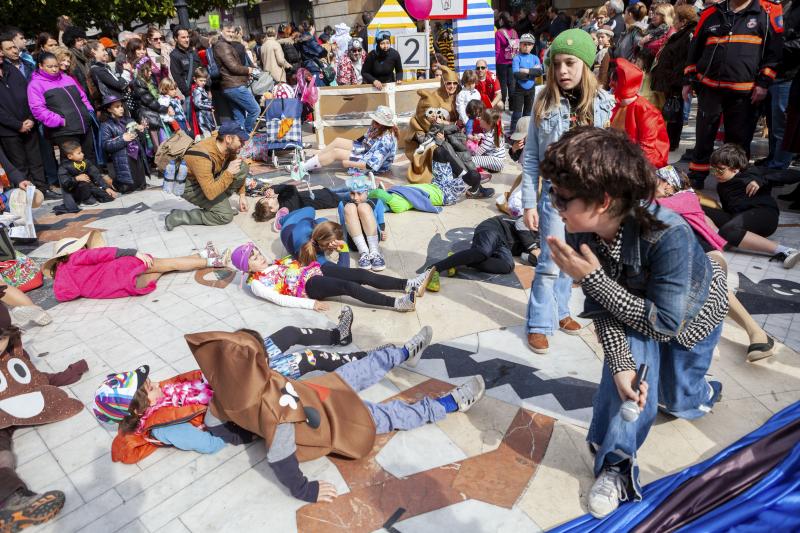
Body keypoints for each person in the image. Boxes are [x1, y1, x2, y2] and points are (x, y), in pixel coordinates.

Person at [544, 127, 728, 518]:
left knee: (677, 400)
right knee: (629, 386)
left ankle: (703, 392)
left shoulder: (669, 234)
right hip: (638, 314)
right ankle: (616, 464)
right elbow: (602, 308)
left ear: (602, 200)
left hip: (689, 319)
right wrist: (622, 364)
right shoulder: (585, 232)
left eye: (561, 197)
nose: (553, 205)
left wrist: (590, 278)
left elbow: (665, 323)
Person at [187, 329, 485, 503]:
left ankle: (404, 353)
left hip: (316, 392)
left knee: (358, 370)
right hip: (329, 425)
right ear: (258, 364)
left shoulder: (225, 392)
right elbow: (280, 458)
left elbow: (215, 426)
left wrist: (246, 432)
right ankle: (448, 405)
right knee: (385, 415)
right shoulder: (274, 410)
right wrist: (306, 490)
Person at [520, 29, 615, 354]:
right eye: (557, 64)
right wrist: (528, 202)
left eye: (570, 63)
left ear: (586, 65)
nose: (562, 71)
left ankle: (560, 311)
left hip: (590, 199)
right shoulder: (542, 101)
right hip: (555, 196)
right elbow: (531, 155)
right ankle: (538, 323)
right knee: (549, 261)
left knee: (573, 259)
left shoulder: (604, 103)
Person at [654, 166, 776, 361]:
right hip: (680, 260)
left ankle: (757, 333)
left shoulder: (684, 198)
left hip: (707, 253)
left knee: (708, 280)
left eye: (655, 180)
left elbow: (650, 208)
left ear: (668, 185)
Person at [0, 296, 86, 530]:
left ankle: (10, 502)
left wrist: (68, 373)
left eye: (1, 337)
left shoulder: (12, 353)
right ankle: (10, 501)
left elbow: (32, 379)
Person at [683, 0, 783, 189]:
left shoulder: (769, 11)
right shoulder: (710, 13)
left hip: (744, 92)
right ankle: (696, 176)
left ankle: (734, 181)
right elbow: (694, 48)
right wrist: (688, 80)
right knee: (703, 136)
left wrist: (763, 83)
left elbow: (774, 53)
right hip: (709, 88)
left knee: (738, 141)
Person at [230, 241, 431, 312]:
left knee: (359, 273)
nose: (260, 258)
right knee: (347, 287)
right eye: (254, 259)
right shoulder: (256, 284)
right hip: (308, 285)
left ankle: (409, 284)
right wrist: (311, 305)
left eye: (257, 253)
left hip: (312, 271)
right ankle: (397, 304)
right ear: (246, 268)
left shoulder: (272, 265)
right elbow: (280, 298)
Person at [43, 231, 230, 302]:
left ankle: (202, 255)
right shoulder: (76, 257)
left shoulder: (62, 281)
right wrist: (133, 252)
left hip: (126, 287)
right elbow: (104, 253)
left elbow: (64, 296)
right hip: (124, 268)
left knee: (165, 268)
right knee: (168, 263)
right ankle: (213, 260)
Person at [703, 144, 799, 268]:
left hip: (764, 215)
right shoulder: (721, 185)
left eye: (720, 170)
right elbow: (728, 211)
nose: (715, 174)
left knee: (728, 231)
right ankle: (720, 238)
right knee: (697, 207)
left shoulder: (752, 173)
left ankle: (785, 250)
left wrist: (762, 180)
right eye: (712, 169)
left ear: (735, 169)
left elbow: (792, 175)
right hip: (740, 218)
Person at [164, 120, 249, 230]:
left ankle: (221, 206)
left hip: (206, 179)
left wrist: (242, 195)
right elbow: (210, 193)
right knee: (225, 216)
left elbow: (237, 169)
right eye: (240, 140)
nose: (243, 144)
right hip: (189, 186)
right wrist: (228, 173)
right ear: (228, 139)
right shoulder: (202, 157)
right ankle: (179, 216)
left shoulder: (224, 145)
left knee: (242, 167)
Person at [423, 214, 538, 291]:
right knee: (482, 252)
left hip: (504, 245)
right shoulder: (545, 220)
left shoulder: (547, 244)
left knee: (507, 266)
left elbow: (525, 256)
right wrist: (533, 247)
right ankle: (435, 268)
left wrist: (540, 258)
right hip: (495, 228)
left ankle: (458, 260)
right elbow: (521, 222)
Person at [27, 52, 96, 163]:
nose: (54, 69)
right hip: (64, 131)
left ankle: (94, 180)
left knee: (89, 158)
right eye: (49, 67)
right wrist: (59, 121)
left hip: (83, 124)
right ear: (40, 66)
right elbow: (38, 109)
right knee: (71, 164)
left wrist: (88, 110)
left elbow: (82, 96)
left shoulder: (67, 78)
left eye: (56, 66)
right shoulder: (35, 84)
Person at [295, 106, 398, 176]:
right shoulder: (378, 127)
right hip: (367, 149)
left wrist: (349, 163)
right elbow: (365, 137)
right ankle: (311, 162)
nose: (374, 123)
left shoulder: (386, 142)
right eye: (375, 120)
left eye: (377, 122)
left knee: (336, 153)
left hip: (371, 162)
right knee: (338, 141)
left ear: (384, 125)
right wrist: (351, 145)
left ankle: (303, 168)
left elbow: (371, 165)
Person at [649, 5, 698, 151]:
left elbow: (686, 59)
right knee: (671, 113)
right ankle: (668, 140)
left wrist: (679, 79)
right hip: (671, 79)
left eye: (676, 18)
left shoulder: (689, 34)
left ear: (683, 21)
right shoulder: (682, 33)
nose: (673, 21)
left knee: (674, 113)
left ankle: (671, 142)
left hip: (676, 80)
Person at [0, 47, 47, 192]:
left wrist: (31, 118)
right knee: (19, 165)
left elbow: (29, 94)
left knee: (36, 161)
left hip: (29, 124)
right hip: (8, 130)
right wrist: (17, 125)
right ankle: (27, 195)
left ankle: (42, 190)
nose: (1, 53)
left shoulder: (11, 69)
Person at [610, 58, 669, 169]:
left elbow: (647, 150)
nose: (610, 84)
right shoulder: (615, 105)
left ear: (625, 82)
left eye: (614, 81)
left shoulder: (645, 110)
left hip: (642, 163)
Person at [406, 68, 460, 183]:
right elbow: (426, 121)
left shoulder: (459, 95)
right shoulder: (434, 97)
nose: (452, 86)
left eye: (454, 83)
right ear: (443, 83)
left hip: (453, 131)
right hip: (435, 134)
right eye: (448, 83)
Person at [214, 23, 259, 132]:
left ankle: (241, 139)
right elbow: (233, 67)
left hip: (231, 86)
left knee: (239, 117)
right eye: (228, 31)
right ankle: (247, 133)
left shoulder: (225, 44)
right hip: (234, 85)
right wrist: (249, 70)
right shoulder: (222, 46)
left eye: (232, 31)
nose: (231, 34)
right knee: (255, 110)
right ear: (221, 32)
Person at [99, 95, 149, 193]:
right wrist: (123, 139)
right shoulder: (106, 125)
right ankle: (112, 183)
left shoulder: (129, 120)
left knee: (141, 184)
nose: (121, 109)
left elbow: (140, 140)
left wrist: (141, 130)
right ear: (109, 109)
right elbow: (106, 145)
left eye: (121, 106)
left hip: (136, 155)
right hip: (123, 158)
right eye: (117, 107)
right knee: (127, 187)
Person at [338, 175, 387, 270]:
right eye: (352, 193)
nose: (355, 197)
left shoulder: (376, 202)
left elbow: (381, 222)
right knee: (349, 207)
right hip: (354, 243)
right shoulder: (343, 205)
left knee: (363, 207)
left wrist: (382, 231)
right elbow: (343, 225)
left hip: (373, 238)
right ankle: (364, 253)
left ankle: (375, 252)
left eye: (359, 193)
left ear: (367, 192)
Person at [57, 139, 115, 206]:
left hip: (89, 186)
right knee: (83, 183)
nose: (82, 154)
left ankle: (90, 197)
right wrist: (76, 179)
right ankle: (85, 200)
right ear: (70, 156)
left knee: (108, 197)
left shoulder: (86, 162)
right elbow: (65, 183)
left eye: (81, 152)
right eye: (79, 153)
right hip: (75, 190)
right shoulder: (64, 166)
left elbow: (96, 175)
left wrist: (106, 188)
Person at [131, 56, 168, 149]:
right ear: (142, 71)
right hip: (149, 117)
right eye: (149, 70)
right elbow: (150, 101)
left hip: (154, 114)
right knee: (157, 144)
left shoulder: (149, 81)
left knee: (162, 142)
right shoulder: (139, 84)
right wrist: (164, 108)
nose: (151, 72)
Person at [511, 33, 542, 132]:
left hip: (531, 89)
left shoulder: (535, 58)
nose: (526, 46)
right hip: (519, 89)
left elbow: (539, 72)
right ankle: (513, 132)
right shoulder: (517, 58)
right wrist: (531, 73)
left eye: (529, 44)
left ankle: (525, 133)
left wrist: (525, 70)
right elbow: (516, 74)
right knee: (517, 113)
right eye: (524, 44)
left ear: (532, 46)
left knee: (528, 113)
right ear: (520, 45)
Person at [87, 39, 130, 106]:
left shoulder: (103, 67)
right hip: (114, 104)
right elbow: (119, 85)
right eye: (103, 50)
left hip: (117, 101)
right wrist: (126, 71)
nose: (106, 53)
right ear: (94, 52)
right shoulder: (97, 70)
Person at [169, 26, 201, 100]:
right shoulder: (174, 55)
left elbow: (202, 69)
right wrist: (188, 93)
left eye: (187, 37)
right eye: (183, 37)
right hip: (190, 94)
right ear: (176, 39)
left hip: (201, 90)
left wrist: (207, 88)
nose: (187, 40)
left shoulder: (193, 52)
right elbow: (177, 77)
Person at [495, 12, 518, 108]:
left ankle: (503, 105)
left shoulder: (498, 33)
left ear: (501, 20)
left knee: (503, 84)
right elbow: (517, 47)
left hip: (501, 62)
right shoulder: (514, 32)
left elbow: (497, 50)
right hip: (512, 61)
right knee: (512, 84)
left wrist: (493, 62)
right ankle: (512, 105)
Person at [472, 108, 506, 172]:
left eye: (481, 118)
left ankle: (482, 169)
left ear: (489, 123)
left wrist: (469, 153)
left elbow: (478, 153)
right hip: (497, 160)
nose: (479, 119)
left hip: (496, 162)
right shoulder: (494, 129)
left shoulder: (489, 137)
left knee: (470, 160)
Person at [61, 26, 91, 98]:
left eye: (82, 39)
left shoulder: (83, 55)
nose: (83, 42)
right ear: (71, 42)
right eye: (79, 40)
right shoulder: (71, 58)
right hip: (84, 95)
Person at [192, 67, 215, 136]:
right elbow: (197, 103)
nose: (203, 83)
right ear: (195, 79)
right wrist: (209, 106)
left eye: (204, 81)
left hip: (207, 115)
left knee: (211, 132)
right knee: (207, 133)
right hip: (202, 116)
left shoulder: (202, 89)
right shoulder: (197, 90)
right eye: (201, 80)